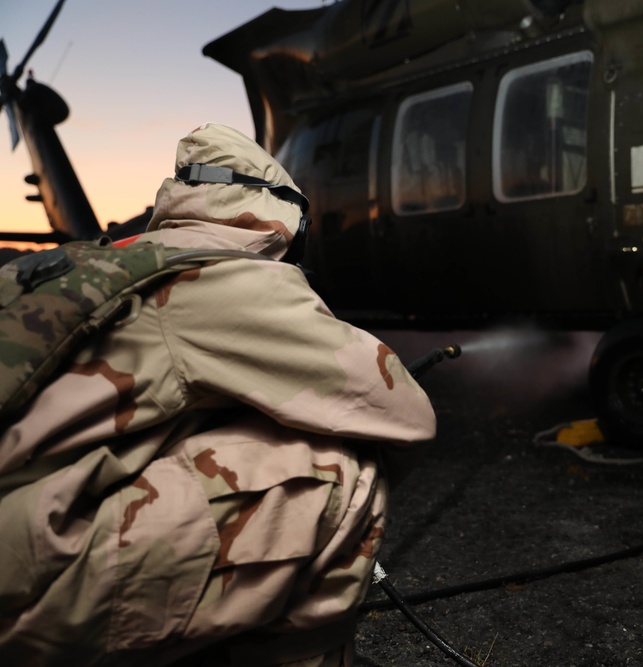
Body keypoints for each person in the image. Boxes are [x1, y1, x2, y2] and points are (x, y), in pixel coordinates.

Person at [0, 123, 436, 666]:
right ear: (279, 214)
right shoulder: (231, 274)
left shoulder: (99, 264)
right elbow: (406, 415)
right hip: (27, 592)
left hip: (19, 536)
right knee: (347, 469)